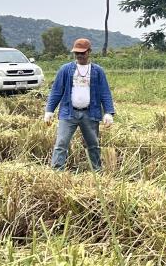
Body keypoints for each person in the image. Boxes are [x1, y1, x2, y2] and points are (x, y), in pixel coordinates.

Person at [44, 37, 114, 171]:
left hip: (90, 113)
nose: (80, 55)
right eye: (77, 53)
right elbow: (56, 91)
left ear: (89, 52)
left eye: (82, 53)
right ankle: (57, 172)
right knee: (61, 143)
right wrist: (49, 111)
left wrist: (108, 112)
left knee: (93, 145)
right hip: (68, 113)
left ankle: (97, 172)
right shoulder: (65, 70)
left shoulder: (97, 71)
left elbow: (105, 92)